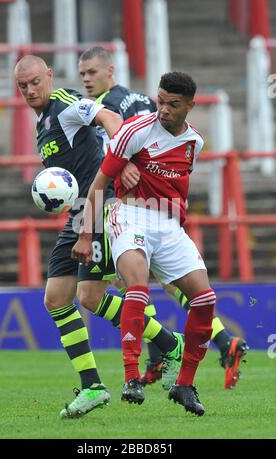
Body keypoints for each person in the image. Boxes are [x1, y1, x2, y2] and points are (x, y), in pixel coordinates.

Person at [14, 55, 183, 418]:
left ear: (48, 76)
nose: (29, 90)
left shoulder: (66, 104)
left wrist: (127, 162)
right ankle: (99, 382)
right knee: (62, 299)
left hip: (100, 208)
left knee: (84, 297)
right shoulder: (42, 123)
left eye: (34, 82)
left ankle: (163, 348)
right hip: (79, 213)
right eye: (22, 86)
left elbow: (111, 119)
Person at [78, 46, 248, 390]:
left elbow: (141, 152)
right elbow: (119, 157)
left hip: (163, 220)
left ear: (110, 71)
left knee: (119, 291)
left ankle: (175, 359)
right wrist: (87, 226)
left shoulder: (127, 109)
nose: (85, 80)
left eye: (91, 73)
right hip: (126, 212)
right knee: (133, 285)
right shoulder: (141, 115)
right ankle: (144, 366)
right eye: (82, 74)